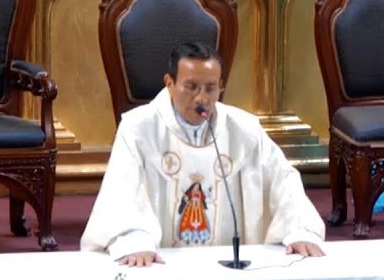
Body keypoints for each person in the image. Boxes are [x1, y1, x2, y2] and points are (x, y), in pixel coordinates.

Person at [81, 42, 327, 266]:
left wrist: (299, 230)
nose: (202, 98)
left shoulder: (243, 129)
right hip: (161, 263)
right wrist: (134, 241)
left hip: (227, 265)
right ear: (169, 83)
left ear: (221, 86)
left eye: (210, 88)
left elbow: (283, 180)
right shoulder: (139, 128)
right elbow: (122, 190)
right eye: (191, 87)